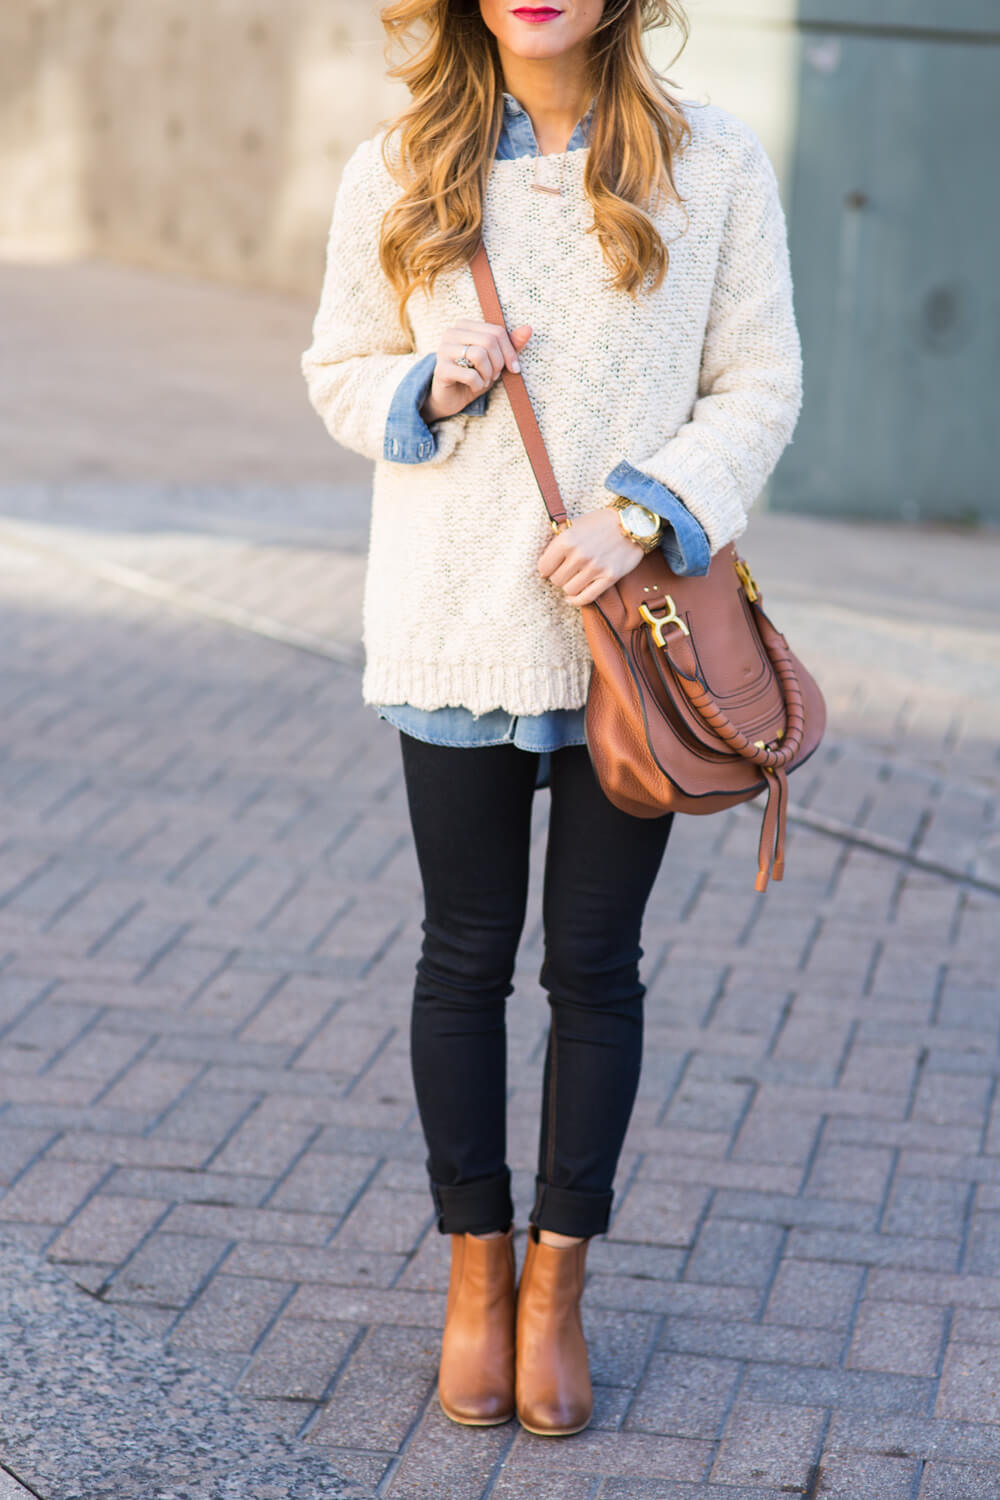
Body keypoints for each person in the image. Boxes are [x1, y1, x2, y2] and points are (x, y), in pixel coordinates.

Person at [302, 0, 802, 1438]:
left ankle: (557, 1284)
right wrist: (423, 382)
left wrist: (645, 510)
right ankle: (474, 1273)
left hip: (627, 654)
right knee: (462, 959)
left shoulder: (713, 164)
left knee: (594, 966)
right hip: (454, 622)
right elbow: (337, 368)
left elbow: (760, 383)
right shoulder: (398, 165)